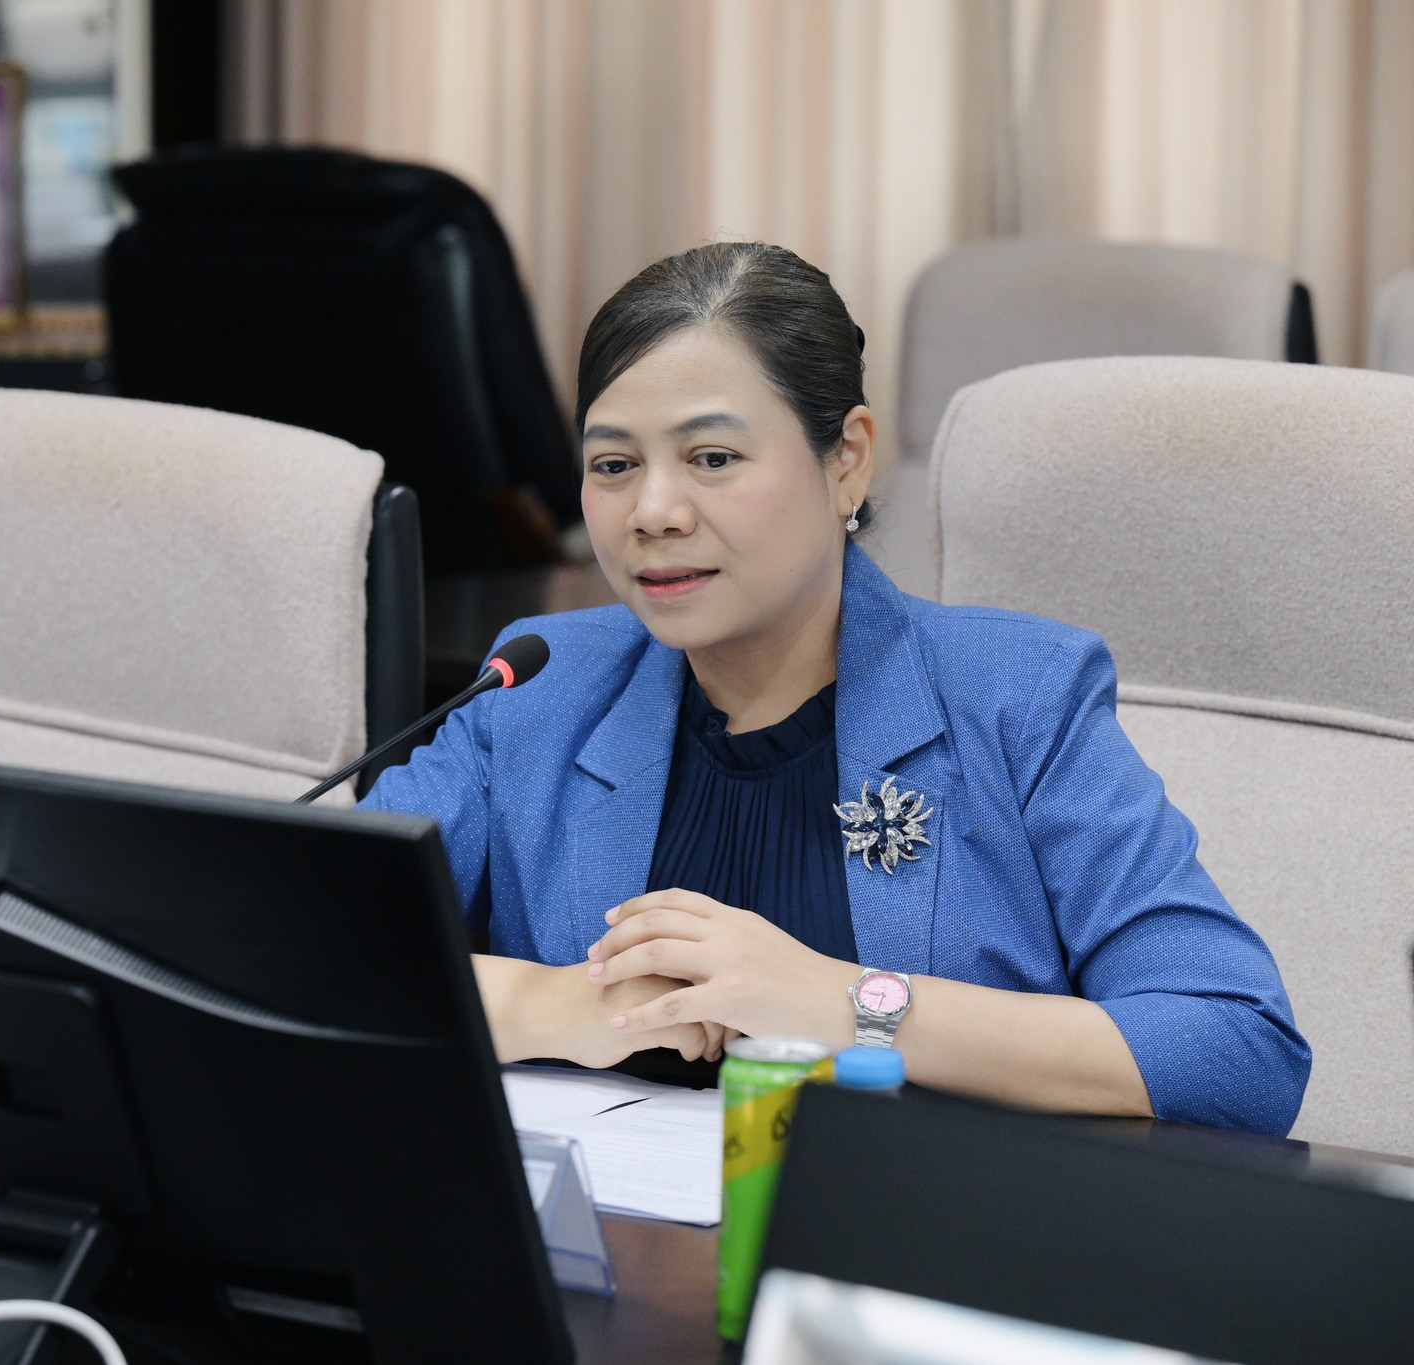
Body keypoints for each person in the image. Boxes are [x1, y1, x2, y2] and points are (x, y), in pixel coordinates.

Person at [361, 241, 1309, 1135]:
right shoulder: (542, 684)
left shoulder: (1017, 696)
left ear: (847, 458)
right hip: (611, 1240)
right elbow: (314, 940)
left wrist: (849, 1004)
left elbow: (1237, 1049)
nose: (652, 511)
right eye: (614, 465)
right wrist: (560, 1003)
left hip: (912, 1234)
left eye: (713, 458)